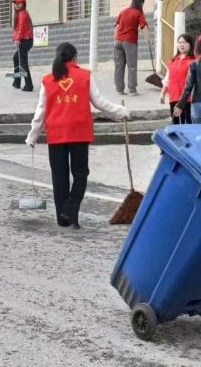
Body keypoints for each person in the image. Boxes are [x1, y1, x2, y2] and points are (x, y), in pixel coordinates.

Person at [26, 42, 129, 229]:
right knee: (80, 175)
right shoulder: (85, 76)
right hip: (79, 133)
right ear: (75, 57)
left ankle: (63, 216)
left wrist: (32, 136)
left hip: (56, 134)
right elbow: (100, 103)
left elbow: (40, 111)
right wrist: (121, 112)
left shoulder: (48, 80)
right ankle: (70, 212)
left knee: (60, 176)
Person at [113, 0, 148, 95]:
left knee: (119, 66)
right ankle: (132, 90)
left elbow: (116, 26)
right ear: (140, 3)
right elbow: (144, 26)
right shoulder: (138, 13)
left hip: (118, 41)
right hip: (130, 42)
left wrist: (115, 39)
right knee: (131, 66)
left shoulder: (123, 12)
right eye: (142, 4)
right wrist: (148, 40)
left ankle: (119, 90)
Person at [159, 33, 195, 125]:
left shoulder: (193, 61)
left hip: (188, 99)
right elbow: (167, 79)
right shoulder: (172, 61)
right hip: (174, 96)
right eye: (179, 42)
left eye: (184, 42)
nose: (181, 45)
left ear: (190, 44)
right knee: (175, 123)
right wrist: (162, 93)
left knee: (187, 124)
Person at [12, 0, 34, 93]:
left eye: (19, 3)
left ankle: (28, 85)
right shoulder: (19, 13)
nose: (16, 5)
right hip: (25, 40)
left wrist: (17, 39)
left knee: (23, 63)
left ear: (23, 4)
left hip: (25, 40)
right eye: (15, 3)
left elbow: (21, 28)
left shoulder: (22, 13)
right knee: (16, 58)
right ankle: (17, 81)